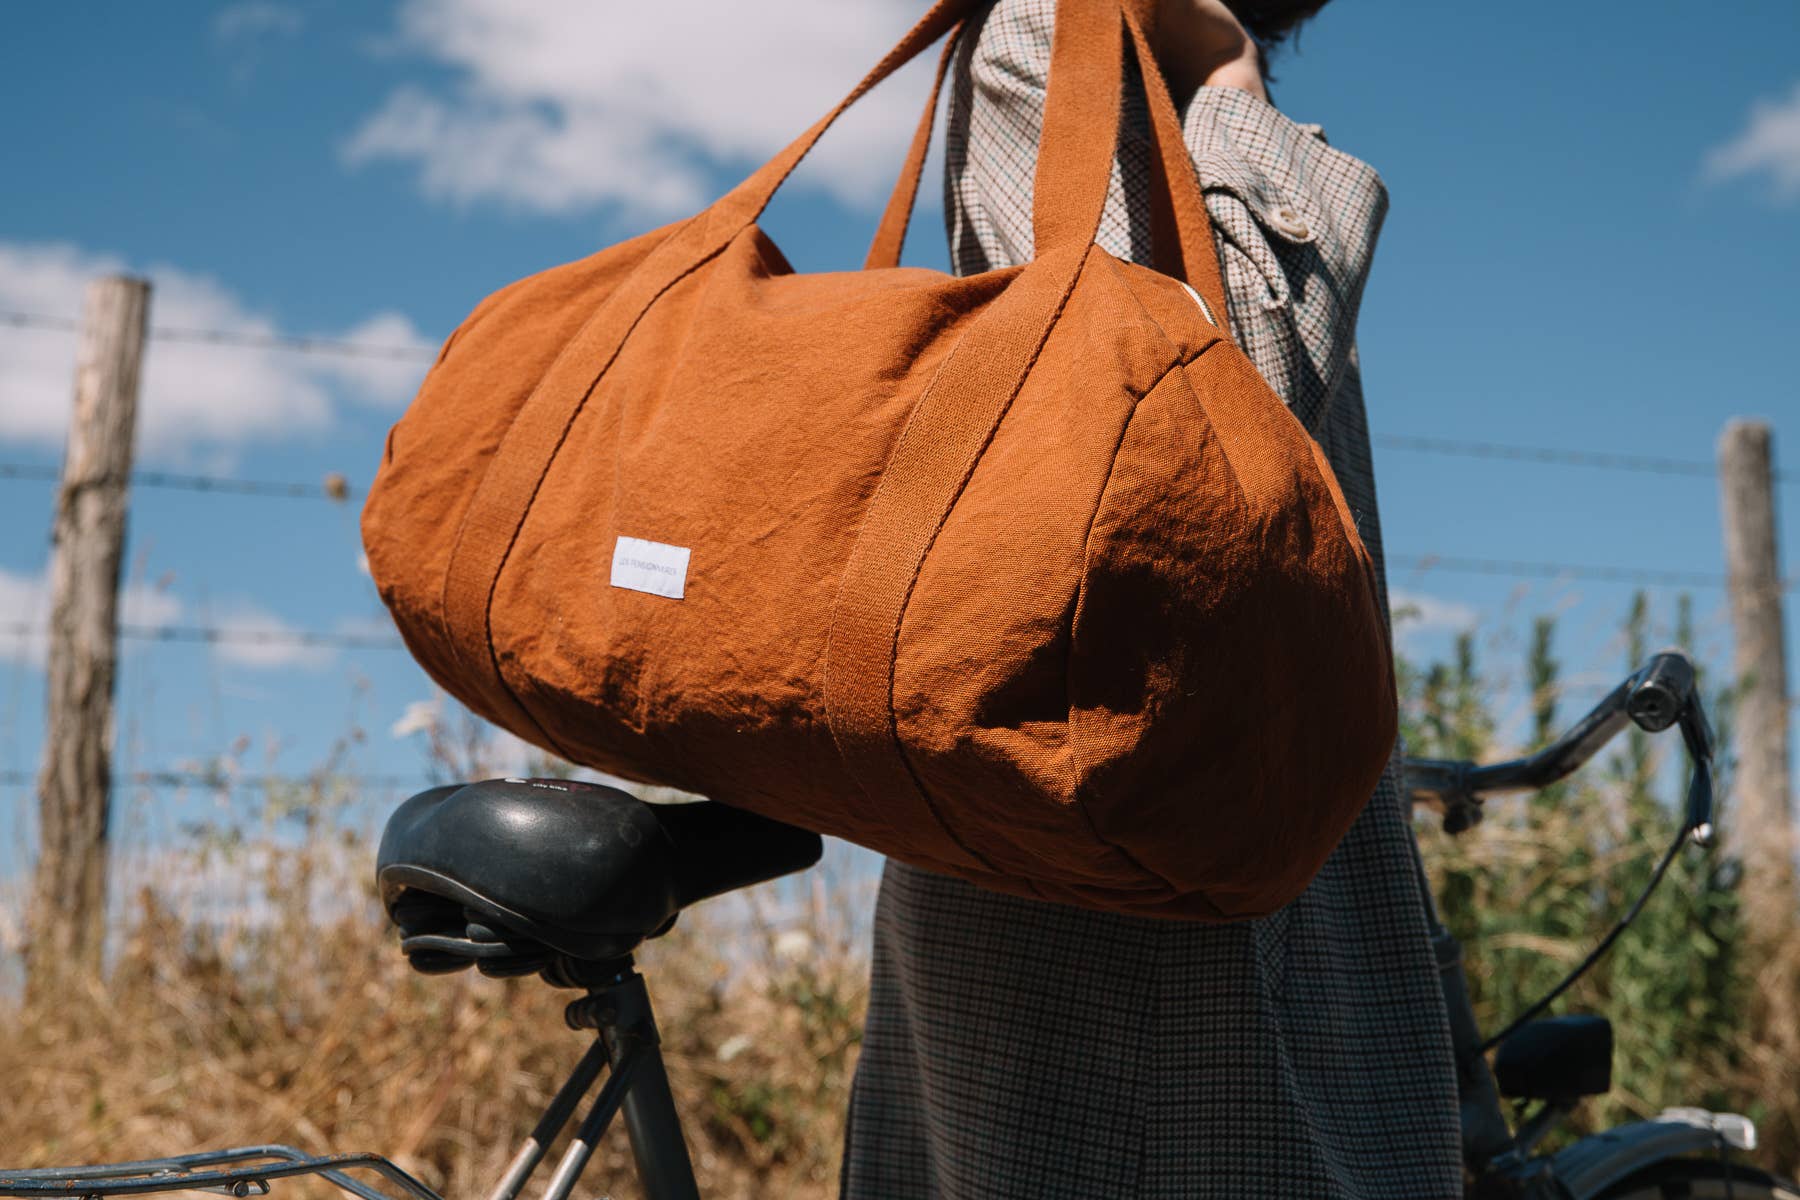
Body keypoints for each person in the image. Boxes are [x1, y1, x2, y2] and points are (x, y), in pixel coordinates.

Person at [839, 1, 1466, 1196]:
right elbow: (1195, 441)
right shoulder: (1058, 29)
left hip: (1172, 885)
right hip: (1128, 949)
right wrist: (1231, 84)